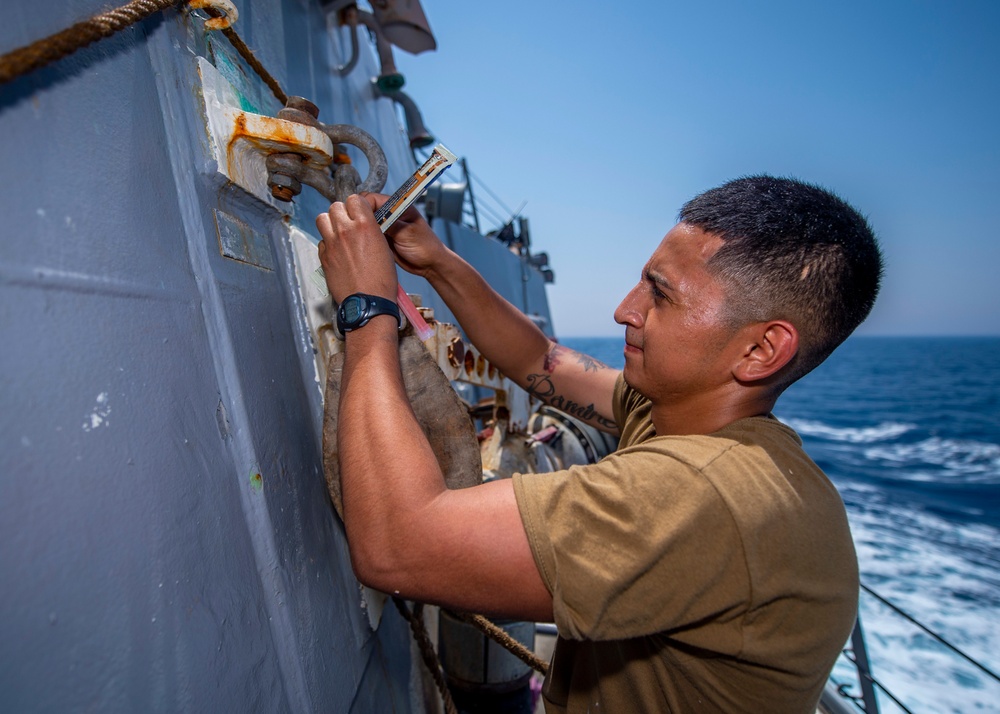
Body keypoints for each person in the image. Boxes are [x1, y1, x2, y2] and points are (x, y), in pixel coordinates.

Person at [315, 175, 883, 713]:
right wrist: (438, 262)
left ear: (761, 350)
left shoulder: (700, 496)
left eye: (660, 295)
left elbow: (398, 545)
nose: (624, 309)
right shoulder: (681, 412)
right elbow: (542, 360)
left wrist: (369, 310)